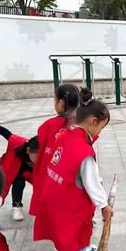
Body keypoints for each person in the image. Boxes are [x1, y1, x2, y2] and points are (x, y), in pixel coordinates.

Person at [33, 89, 113, 251]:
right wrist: (104, 206)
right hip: (72, 205)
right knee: (77, 237)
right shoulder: (84, 151)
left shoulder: (65, 136)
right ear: (93, 121)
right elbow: (91, 182)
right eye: (101, 128)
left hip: (56, 199)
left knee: (68, 236)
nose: (99, 133)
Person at [29, 83, 81, 217]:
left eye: (55, 99)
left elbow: (41, 138)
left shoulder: (49, 125)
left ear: (61, 102)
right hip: (73, 171)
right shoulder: (80, 123)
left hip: (52, 171)